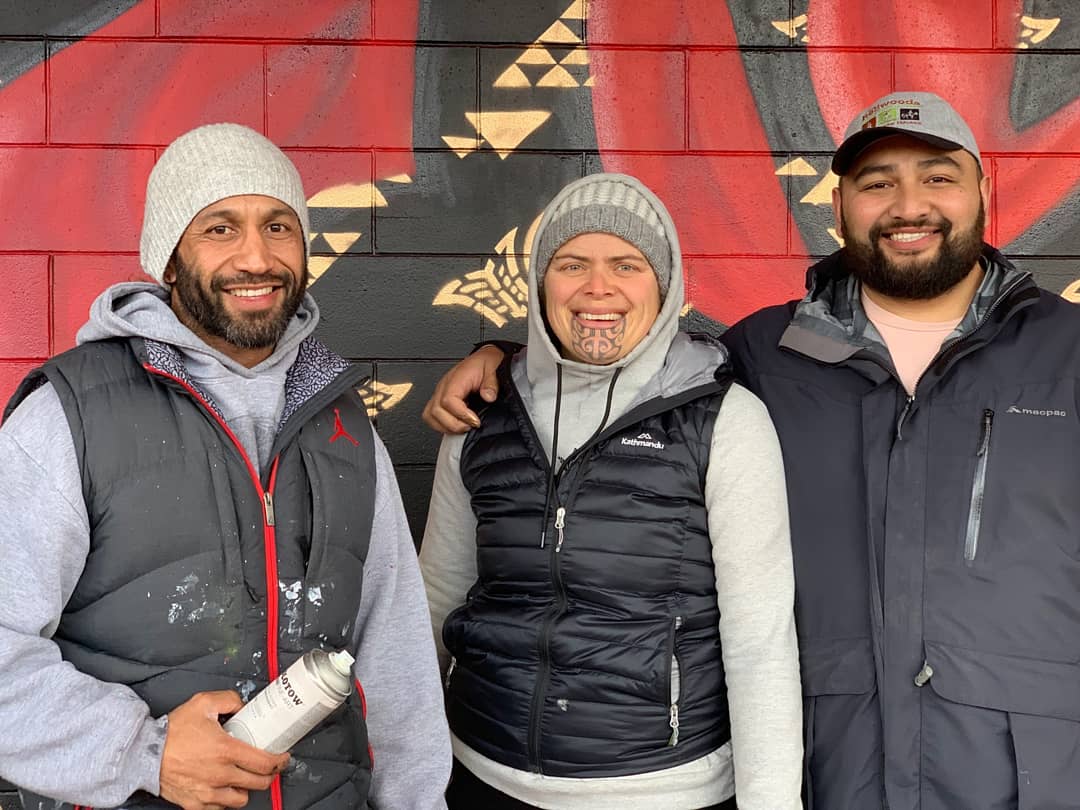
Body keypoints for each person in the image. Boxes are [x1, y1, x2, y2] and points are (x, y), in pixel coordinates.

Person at [422, 91, 1080, 809]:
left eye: (938, 177)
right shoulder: (763, 355)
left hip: (1022, 775)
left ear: (984, 191)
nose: (908, 204)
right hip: (828, 767)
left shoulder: (1069, 353)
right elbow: (627, 374)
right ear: (838, 207)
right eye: (877, 183)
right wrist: (510, 359)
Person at [0, 123, 451, 810]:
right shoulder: (70, 416)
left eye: (278, 226)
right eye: (219, 228)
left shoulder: (342, 424)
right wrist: (140, 753)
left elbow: (395, 656)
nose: (255, 256)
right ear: (170, 259)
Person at [419, 173, 803, 810]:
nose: (599, 288)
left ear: (665, 285)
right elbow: (436, 597)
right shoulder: (480, 413)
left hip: (660, 788)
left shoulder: (723, 421)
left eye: (626, 264)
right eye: (572, 264)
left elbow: (759, 643)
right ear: (542, 282)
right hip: (480, 772)